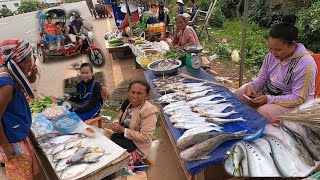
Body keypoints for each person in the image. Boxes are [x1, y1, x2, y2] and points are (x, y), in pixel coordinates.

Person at [234, 15, 318, 122]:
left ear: (292, 44)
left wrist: (269, 99)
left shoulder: (306, 64)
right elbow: (262, 78)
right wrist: (252, 86)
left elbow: (299, 98)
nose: (273, 53)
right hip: (271, 93)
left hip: (295, 106)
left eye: (278, 50)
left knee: (263, 112)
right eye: (270, 48)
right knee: (240, 93)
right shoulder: (271, 55)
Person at [0, 39, 39, 180]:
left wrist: (33, 73)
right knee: (21, 176)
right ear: (20, 62)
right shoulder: (7, 85)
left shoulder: (13, 71)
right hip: (11, 139)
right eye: (31, 59)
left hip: (17, 131)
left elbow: (28, 80)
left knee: (27, 169)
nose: (32, 62)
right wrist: (5, 145)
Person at [110, 80, 158, 159]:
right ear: (128, 92)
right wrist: (115, 123)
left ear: (146, 96)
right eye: (133, 92)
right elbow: (119, 118)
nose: (135, 96)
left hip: (136, 145)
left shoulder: (149, 111)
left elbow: (145, 137)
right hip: (123, 137)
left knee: (112, 154)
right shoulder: (127, 103)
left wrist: (123, 130)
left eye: (139, 93)